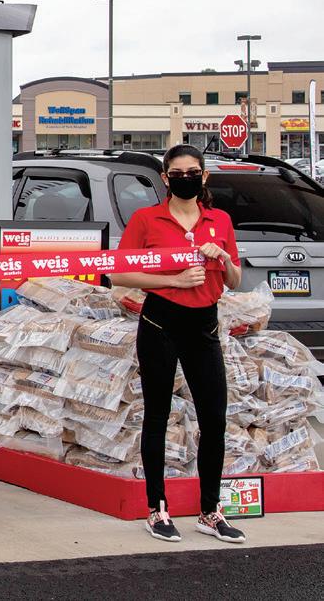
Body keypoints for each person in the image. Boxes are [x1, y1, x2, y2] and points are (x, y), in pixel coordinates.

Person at [109, 143, 245, 545]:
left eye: (194, 173)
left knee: (214, 418)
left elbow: (235, 280)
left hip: (204, 325)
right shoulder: (146, 219)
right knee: (158, 415)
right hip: (160, 322)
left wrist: (223, 258)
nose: (187, 179)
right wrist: (173, 280)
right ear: (166, 179)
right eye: (178, 174)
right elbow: (120, 275)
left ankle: (210, 511)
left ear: (204, 176)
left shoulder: (219, 220)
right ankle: (157, 508)